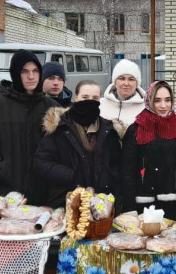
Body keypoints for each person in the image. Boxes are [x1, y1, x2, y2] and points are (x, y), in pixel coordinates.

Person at [0, 49, 56, 203]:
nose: (31, 76)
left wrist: (51, 173)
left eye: (35, 71)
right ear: (15, 73)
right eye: (24, 71)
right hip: (8, 193)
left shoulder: (52, 107)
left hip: (45, 191)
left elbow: (62, 147)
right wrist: (3, 171)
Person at [120, 80, 176, 224]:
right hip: (142, 207)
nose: (164, 106)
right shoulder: (136, 129)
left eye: (167, 100)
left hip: (173, 205)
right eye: (157, 100)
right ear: (149, 101)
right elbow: (127, 172)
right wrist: (129, 209)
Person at [34, 80, 120, 208]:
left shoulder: (108, 129)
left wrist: (107, 180)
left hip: (100, 205)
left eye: (95, 98)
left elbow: (116, 164)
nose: (89, 101)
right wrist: (71, 176)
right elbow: (41, 162)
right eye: (85, 97)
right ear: (76, 97)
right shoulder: (60, 127)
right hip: (66, 201)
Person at [100, 59, 147, 138]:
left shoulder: (146, 108)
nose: (126, 83)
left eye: (131, 79)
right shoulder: (101, 105)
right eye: (121, 78)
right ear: (115, 82)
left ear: (137, 83)